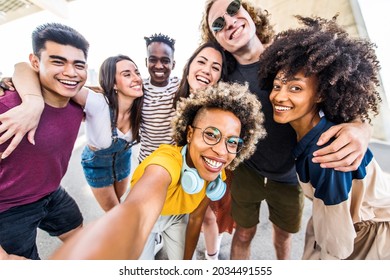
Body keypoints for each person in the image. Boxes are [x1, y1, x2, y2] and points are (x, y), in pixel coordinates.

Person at [200, 0, 372, 259]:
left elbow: (340, 90)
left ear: (249, 12)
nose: (230, 21)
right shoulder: (223, 74)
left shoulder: (292, 55)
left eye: (233, 8)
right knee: (243, 234)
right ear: (217, 40)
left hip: (291, 175)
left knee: (283, 238)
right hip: (249, 171)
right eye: (218, 24)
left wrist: (361, 127)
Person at [48, 81, 267, 260]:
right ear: (190, 134)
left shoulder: (215, 169)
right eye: (210, 134)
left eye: (232, 141)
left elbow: (195, 221)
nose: (220, 151)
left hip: (177, 219)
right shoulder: (165, 161)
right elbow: (137, 212)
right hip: (150, 219)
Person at [259, 15, 390, 259]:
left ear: (320, 94)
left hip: (370, 240)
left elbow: (338, 246)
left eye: (295, 88)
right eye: (277, 86)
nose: (279, 96)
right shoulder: (314, 129)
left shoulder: (326, 154)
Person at [0, 22, 89, 260]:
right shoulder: (8, 109)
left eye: (78, 64)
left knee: (80, 237)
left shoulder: (78, 106)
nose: (71, 72)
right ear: (36, 62)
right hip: (8, 209)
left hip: (51, 193)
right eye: (58, 62)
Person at [11, 55, 144, 212]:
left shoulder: (142, 104)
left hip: (123, 160)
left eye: (137, 72)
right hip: (98, 164)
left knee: (118, 204)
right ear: (113, 83)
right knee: (115, 212)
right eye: (127, 74)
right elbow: (23, 68)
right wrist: (31, 98)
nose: (137, 78)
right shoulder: (97, 102)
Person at [174, 41, 234, 260]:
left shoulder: (219, 108)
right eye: (201, 61)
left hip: (205, 172)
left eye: (215, 67)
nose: (207, 70)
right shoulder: (174, 95)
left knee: (205, 218)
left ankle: (211, 259)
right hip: (177, 170)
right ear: (189, 66)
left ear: (219, 77)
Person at [139, 33, 179, 162]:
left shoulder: (180, 86)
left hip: (171, 160)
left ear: (173, 64)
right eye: (153, 59)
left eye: (165, 61)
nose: (159, 66)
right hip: (146, 159)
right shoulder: (138, 88)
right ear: (146, 62)